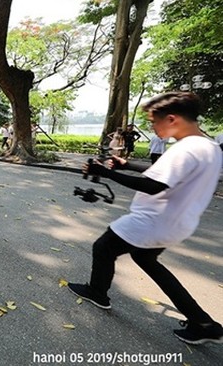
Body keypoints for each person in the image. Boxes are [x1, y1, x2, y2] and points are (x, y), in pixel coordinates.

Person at [67, 92, 223, 345]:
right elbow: (167, 175)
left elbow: (153, 186)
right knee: (146, 260)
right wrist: (126, 165)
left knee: (103, 247)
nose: (151, 126)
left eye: (153, 121)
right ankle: (203, 323)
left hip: (152, 220)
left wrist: (104, 172)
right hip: (176, 223)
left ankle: (97, 292)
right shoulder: (209, 147)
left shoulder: (185, 150)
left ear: (171, 119)